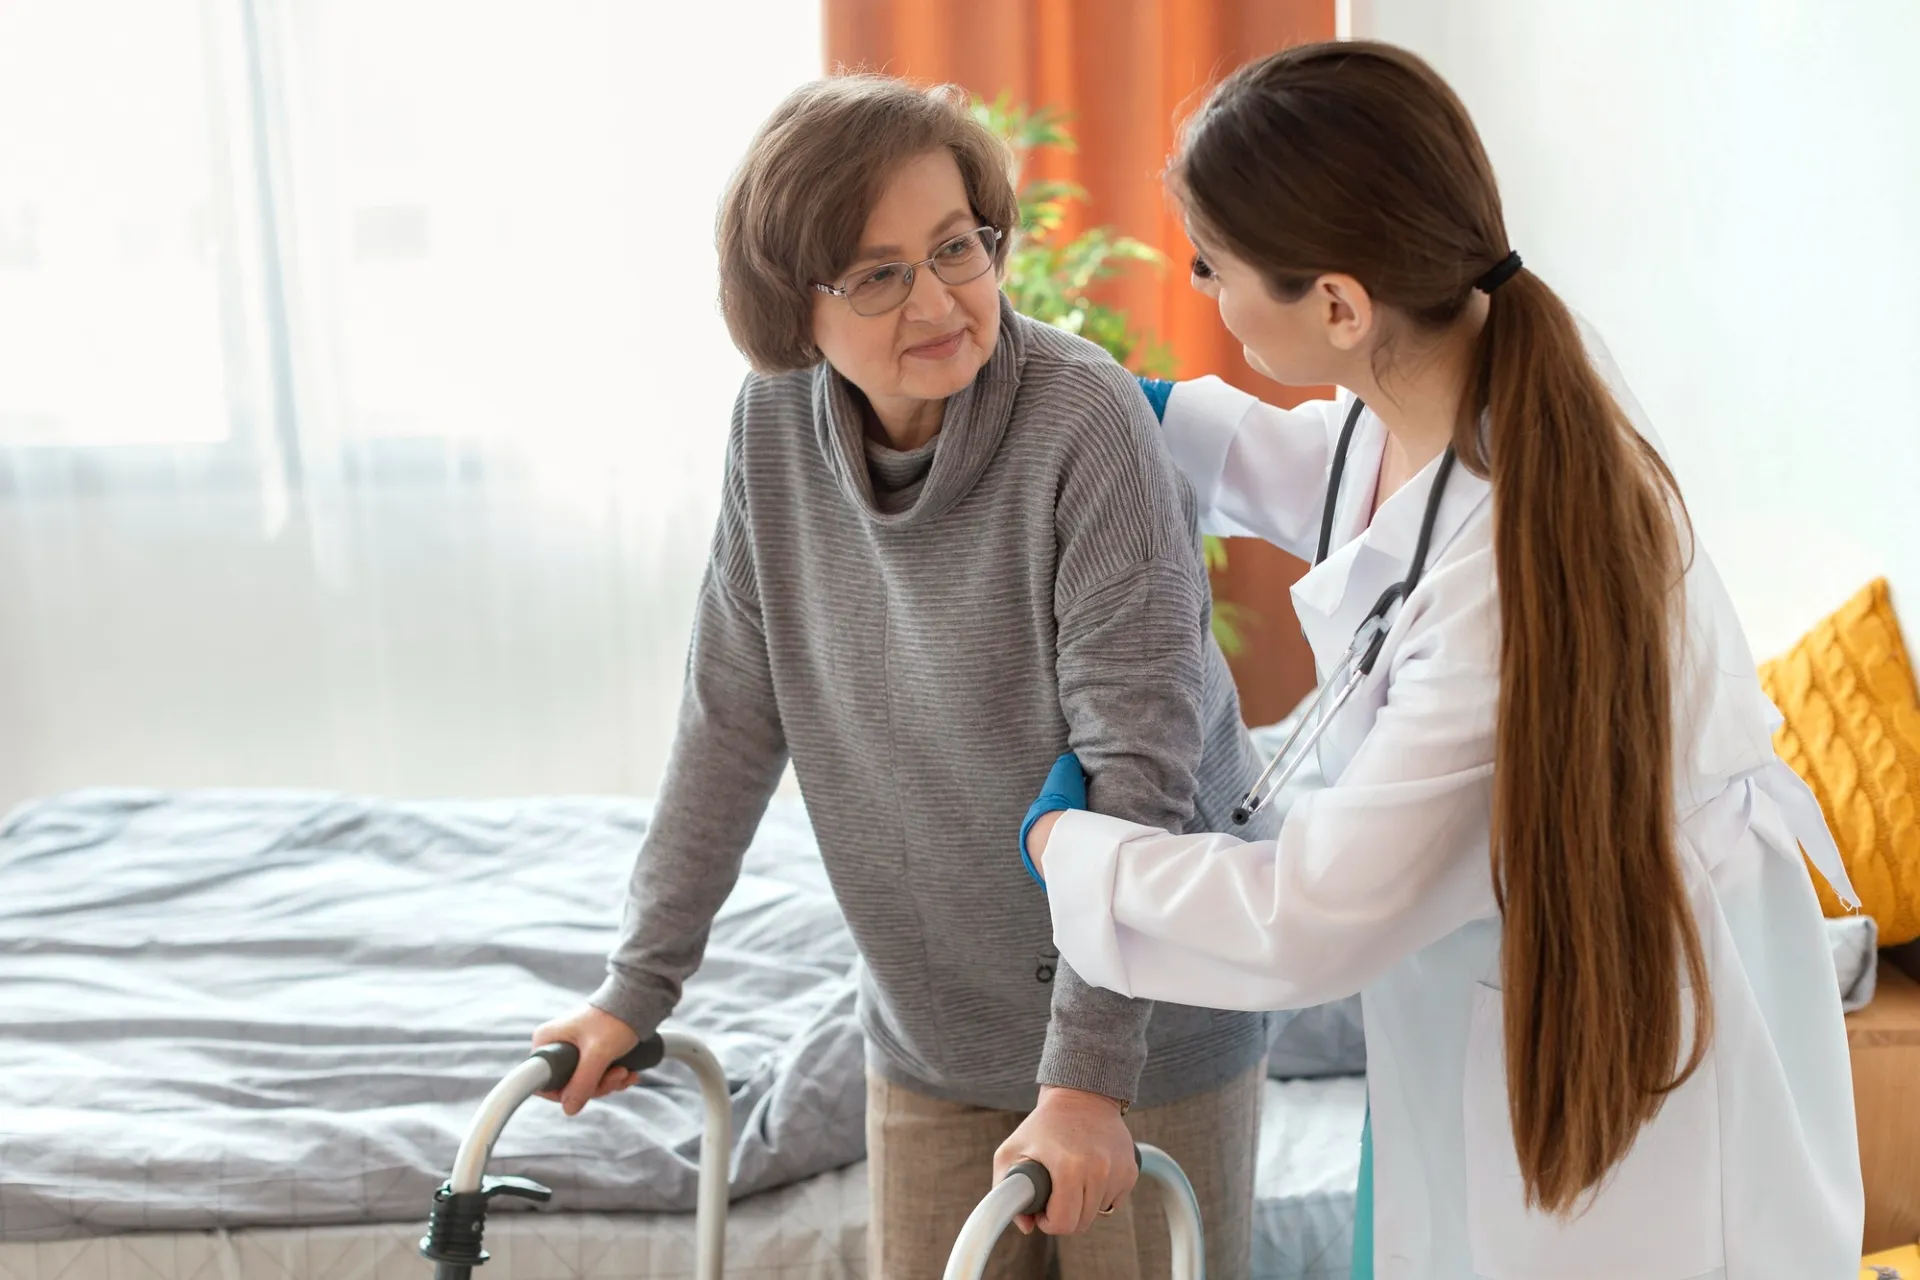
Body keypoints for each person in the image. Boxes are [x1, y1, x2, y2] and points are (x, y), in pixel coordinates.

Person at [1016, 40, 1864, 1280]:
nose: (1200, 290)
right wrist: (1127, 405)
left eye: (1211, 266)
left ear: (1342, 307)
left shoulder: (1510, 585)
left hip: (1622, 1054)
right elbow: (1342, 484)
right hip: (1490, 1002)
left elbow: (1309, 916)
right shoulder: (1452, 384)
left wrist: (1071, 852)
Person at [532, 74, 1277, 1280]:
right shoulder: (771, 429)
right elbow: (730, 717)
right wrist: (638, 986)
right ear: (793, 308)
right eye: (878, 274)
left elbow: (1142, 770)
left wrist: (1087, 1081)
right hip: (931, 1032)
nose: (937, 298)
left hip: (1142, 1031)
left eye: (956, 248)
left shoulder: (1083, 422)